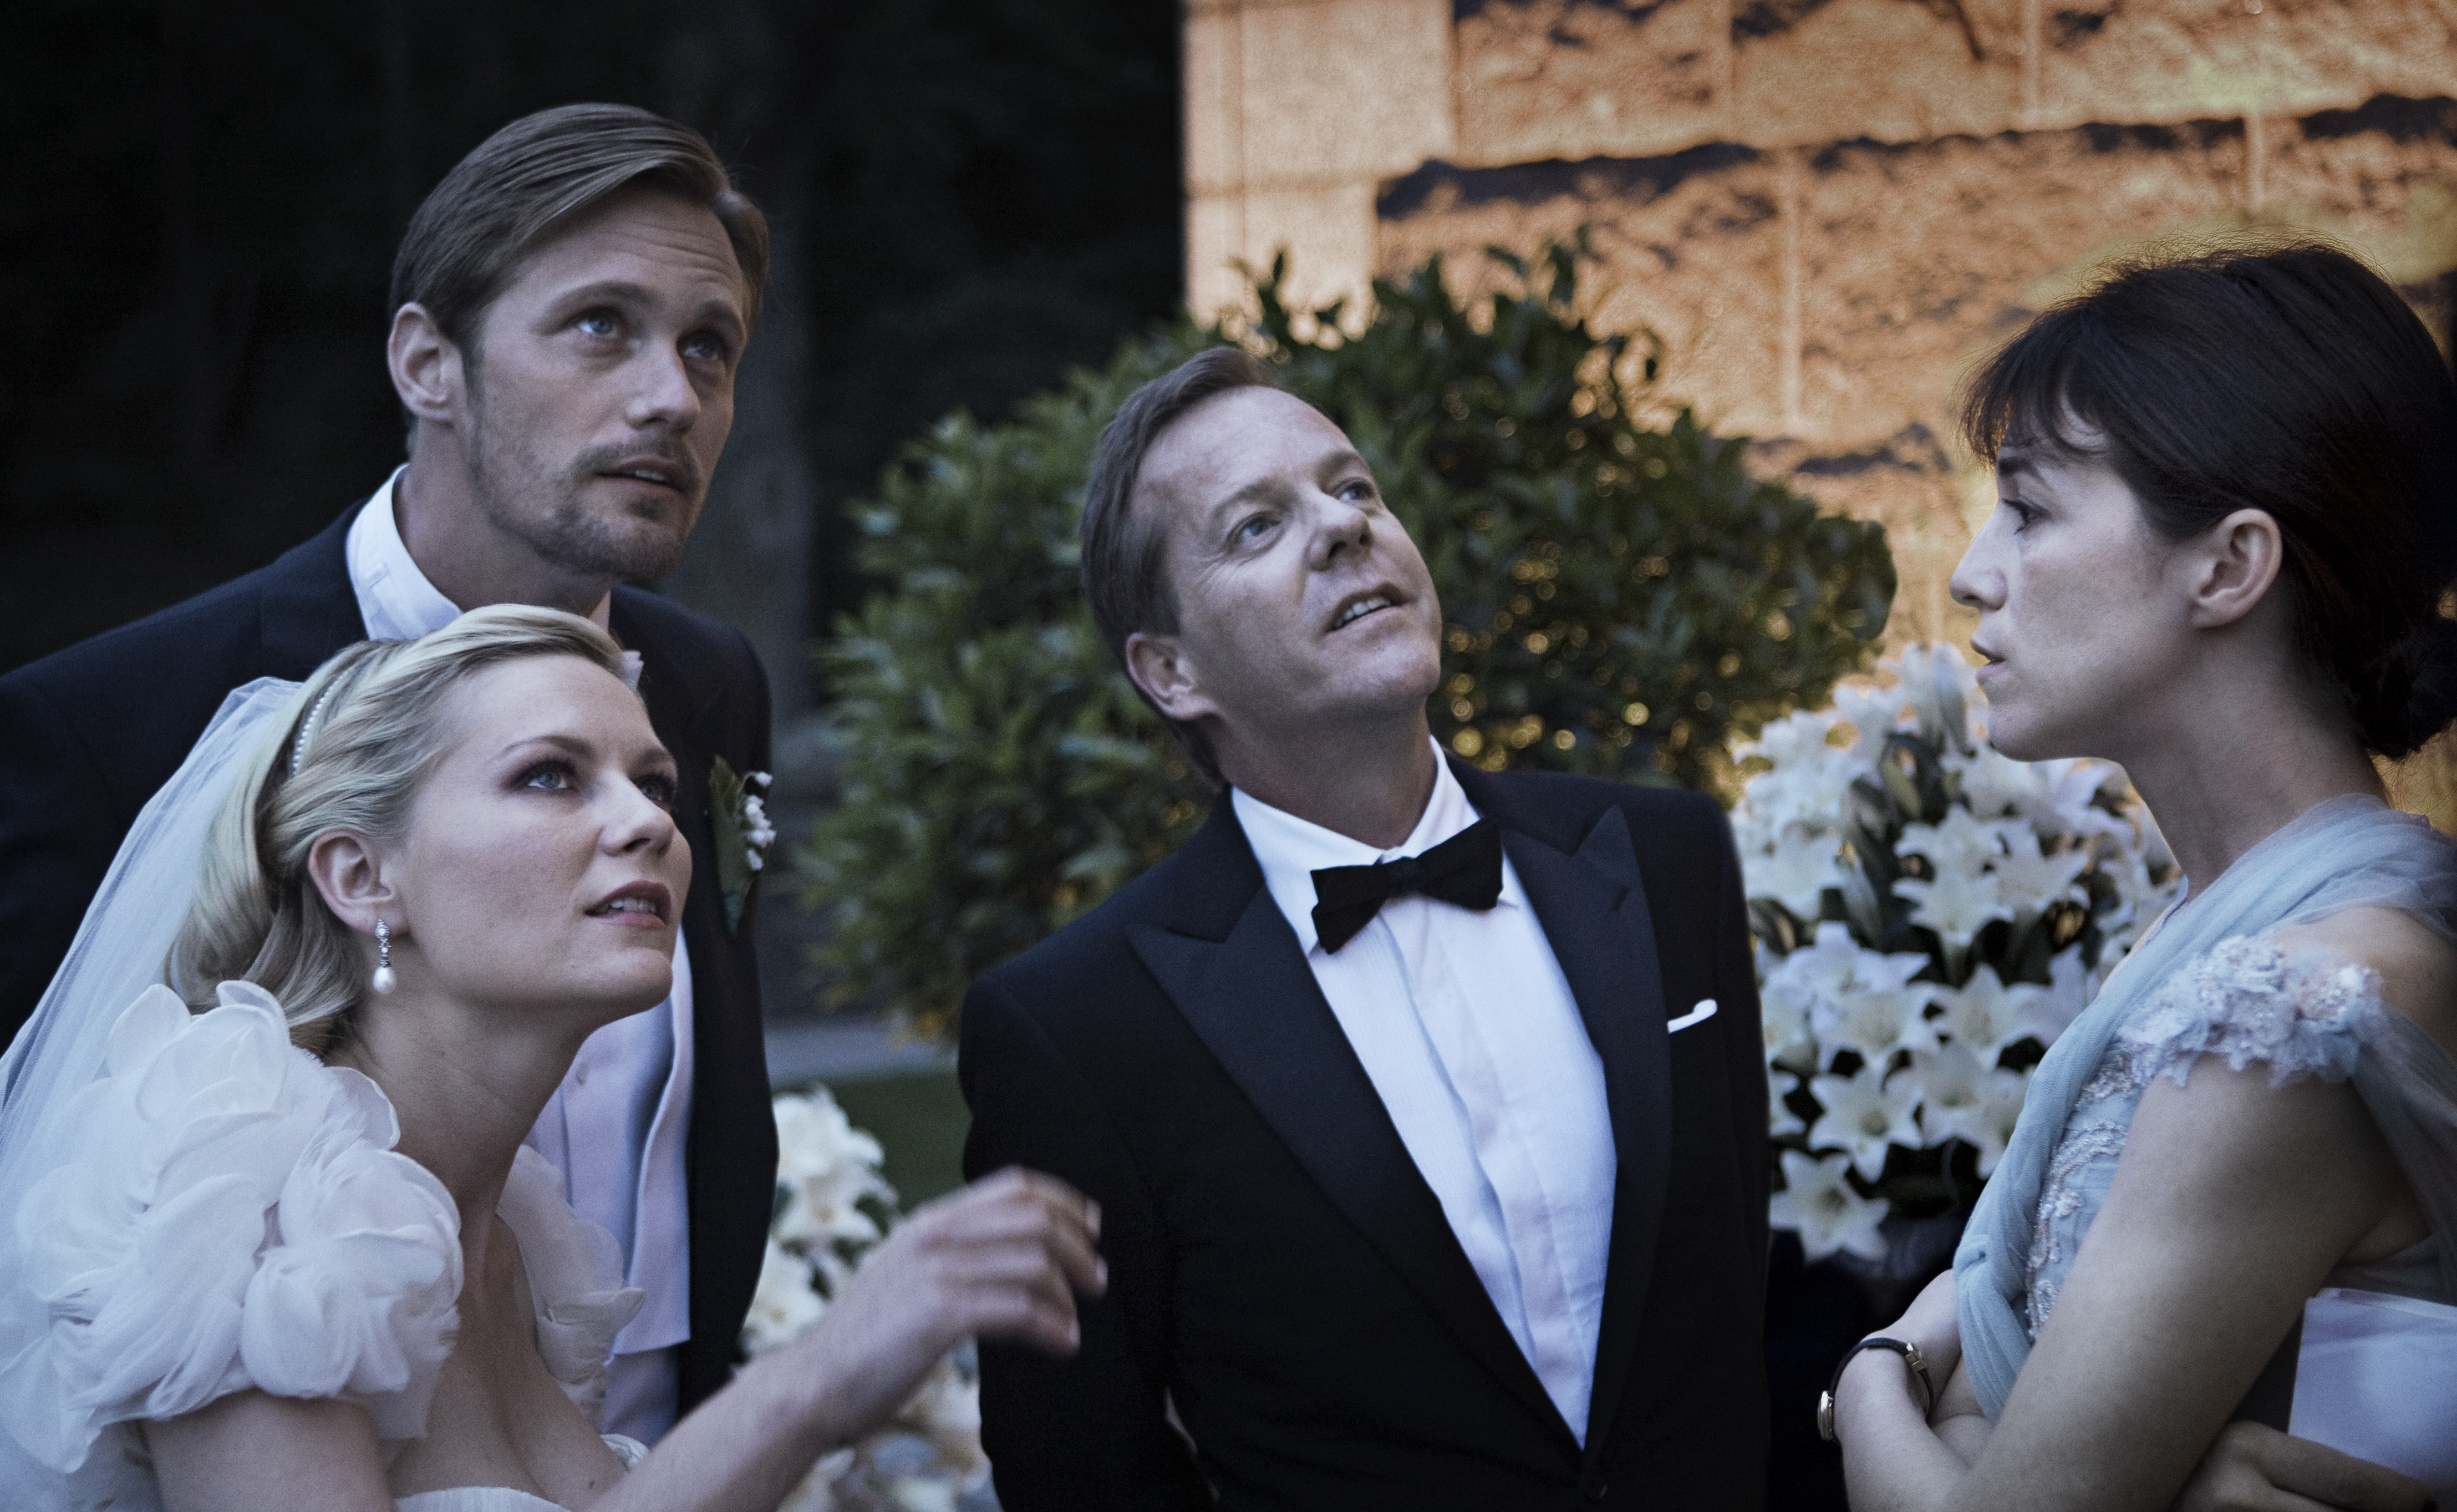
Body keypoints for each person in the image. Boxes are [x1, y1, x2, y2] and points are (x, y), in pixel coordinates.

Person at [0, 104, 781, 1505]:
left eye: (708, 345)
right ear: (426, 361)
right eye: (600, 326)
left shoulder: (711, 688)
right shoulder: (105, 733)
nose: (670, 394)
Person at [0, 604, 1106, 1510]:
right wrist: (814, 1383)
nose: (646, 821)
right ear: (364, 876)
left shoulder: (511, 1227)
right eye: (552, 777)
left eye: (654, 781)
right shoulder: (240, 1197)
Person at [956, 347, 1774, 1508]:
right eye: (1256, 526)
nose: (1343, 527)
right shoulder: (1075, 1029)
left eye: (1353, 488)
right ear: (1171, 670)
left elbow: (1750, 1296)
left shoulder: (1664, 857)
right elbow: (1079, 1475)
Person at [1827, 240, 2457, 1510]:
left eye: (2030, 509)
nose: (1971, 573)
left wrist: (1870, 1375)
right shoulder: (2229, 931)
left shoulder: (2298, 1000)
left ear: (2226, 567)